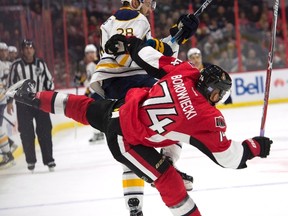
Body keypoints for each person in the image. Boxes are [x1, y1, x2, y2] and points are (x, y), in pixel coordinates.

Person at [6, 35, 272, 216]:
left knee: (83, 107)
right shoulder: (206, 117)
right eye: (219, 95)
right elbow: (229, 157)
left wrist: (128, 41)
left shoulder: (186, 71)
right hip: (126, 139)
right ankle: (165, 171)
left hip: (121, 108)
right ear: (214, 92)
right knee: (169, 182)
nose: (219, 100)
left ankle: (31, 97)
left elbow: (146, 55)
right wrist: (256, 146)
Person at [89, 1, 198, 214]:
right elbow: (137, 54)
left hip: (114, 87)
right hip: (133, 82)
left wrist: (175, 38)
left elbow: (143, 49)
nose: (151, 6)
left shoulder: (111, 21)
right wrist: (172, 42)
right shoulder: (135, 17)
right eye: (148, 1)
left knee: (131, 145)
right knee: (175, 112)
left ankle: (134, 208)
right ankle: (166, 164)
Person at [6, 39, 56, 172]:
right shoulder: (16, 66)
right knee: (27, 133)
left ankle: (49, 159)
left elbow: (49, 81)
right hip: (23, 104)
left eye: (31, 47)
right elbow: (11, 85)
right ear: (22, 50)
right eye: (26, 48)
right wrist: (9, 102)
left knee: (45, 131)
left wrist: (50, 96)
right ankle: (30, 161)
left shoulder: (41, 63)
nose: (28, 50)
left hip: (40, 101)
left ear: (34, 49)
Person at [75, 44, 105, 143]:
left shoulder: (100, 63)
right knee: (94, 114)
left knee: (97, 114)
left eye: (92, 52)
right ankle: (98, 132)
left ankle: (100, 132)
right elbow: (88, 81)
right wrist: (79, 80)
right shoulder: (88, 66)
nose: (90, 55)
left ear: (95, 53)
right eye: (88, 53)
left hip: (101, 92)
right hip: (94, 93)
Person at [0, 42, 15, 167]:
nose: (4, 53)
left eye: (5, 50)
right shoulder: (6, 65)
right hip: (3, 98)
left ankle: (8, 153)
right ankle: (9, 145)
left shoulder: (4, 65)